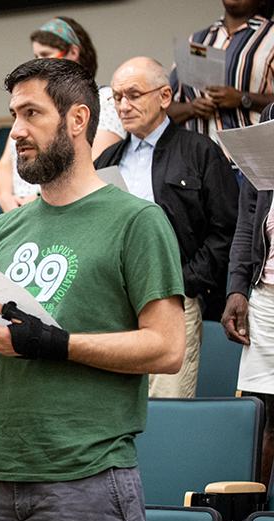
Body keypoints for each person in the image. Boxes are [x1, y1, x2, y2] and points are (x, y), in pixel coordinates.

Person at [0, 59, 185, 521]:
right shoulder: (5, 226)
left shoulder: (137, 220)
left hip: (85, 474)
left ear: (77, 119)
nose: (16, 131)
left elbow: (167, 347)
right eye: (13, 115)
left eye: (31, 114)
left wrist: (53, 343)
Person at [94, 57, 238, 398]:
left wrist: (184, 283)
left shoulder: (201, 151)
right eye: (116, 97)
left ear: (164, 96)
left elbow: (226, 230)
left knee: (165, 407)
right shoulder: (106, 160)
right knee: (113, 406)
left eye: (133, 94)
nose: (123, 106)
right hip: (115, 303)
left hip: (174, 299)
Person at [0, 17, 126, 212]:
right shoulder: (22, 115)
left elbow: (95, 159)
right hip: (20, 211)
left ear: (73, 52)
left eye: (45, 54)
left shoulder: (105, 99)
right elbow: (6, 161)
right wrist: (6, 199)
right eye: (35, 56)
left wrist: (39, 197)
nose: (39, 62)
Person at [222, 102, 274, 484]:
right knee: (265, 424)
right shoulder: (270, 116)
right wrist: (237, 289)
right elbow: (247, 218)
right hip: (266, 295)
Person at [169, 0, 274, 143]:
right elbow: (165, 108)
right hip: (200, 162)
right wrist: (191, 108)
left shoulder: (271, 37)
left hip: (252, 158)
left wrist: (243, 99)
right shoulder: (196, 41)